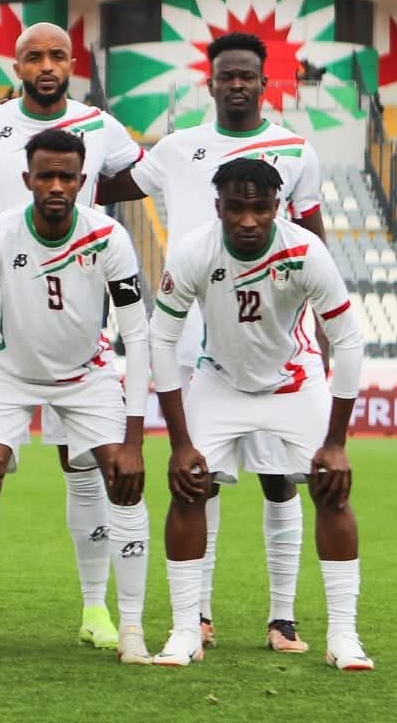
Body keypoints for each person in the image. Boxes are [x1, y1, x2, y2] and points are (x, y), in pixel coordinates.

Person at [100, 32, 328, 653]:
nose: (236, 84)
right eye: (226, 75)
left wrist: (319, 328)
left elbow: (315, 241)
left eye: (247, 75)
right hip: (191, 338)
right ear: (211, 81)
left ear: (264, 82)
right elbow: (106, 187)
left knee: (279, 479)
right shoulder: (178, 148)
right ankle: (197, 615)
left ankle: (282, 617)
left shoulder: (296, 150)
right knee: (199, 477)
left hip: (272, 339)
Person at [0, 22, 144, 651]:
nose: (47, 66)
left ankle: (98, 610)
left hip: (78, 330)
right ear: (18, 65)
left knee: (86, 470)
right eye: (35, 57)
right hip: (5, 325)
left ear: (72, 63)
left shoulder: (99, 126)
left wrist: (89, 203)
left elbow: (134, 178)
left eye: (58, 56)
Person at [149, 158, 372, 671]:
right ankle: (185, 631)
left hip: (294, 381)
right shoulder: (194, 252)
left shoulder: (305, 250)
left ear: (278, 207)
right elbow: (161, 338)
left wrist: (336, 443)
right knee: (188, 485)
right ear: (217, 208)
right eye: (235, 208)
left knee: (332, 488)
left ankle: (344, 635)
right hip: (220, 380)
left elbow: (347, 339)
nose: (248, 220)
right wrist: (180, 444)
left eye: (260, 209)